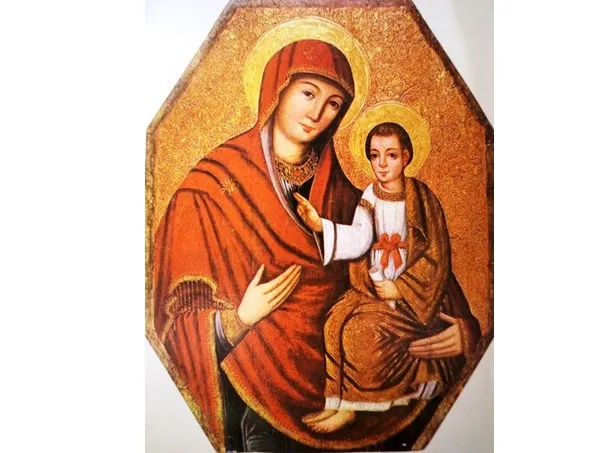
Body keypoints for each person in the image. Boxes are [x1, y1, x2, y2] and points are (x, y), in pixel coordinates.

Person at [152, 39, 479, 452]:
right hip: (257, 401)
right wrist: (235, 320)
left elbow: (416, 259)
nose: (317, 113)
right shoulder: (211, 189)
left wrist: (463, 332)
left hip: (368, 388)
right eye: (308, 93)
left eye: (333, 104)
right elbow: (171, 320)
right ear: (277, 88)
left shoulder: (348, 198)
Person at [295, 122, 474, 434]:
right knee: (333, 321)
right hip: (375, 286)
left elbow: (436, 255)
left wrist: (400, 288)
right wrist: (321, 225)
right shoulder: (370, 194)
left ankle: (353, 407)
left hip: (412, 299)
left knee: (359, 331)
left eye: (391, 155)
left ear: (406, 157)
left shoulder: (422, 198)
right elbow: (360, 238)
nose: (382, 164)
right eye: (374, 155)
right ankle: (335, 400)